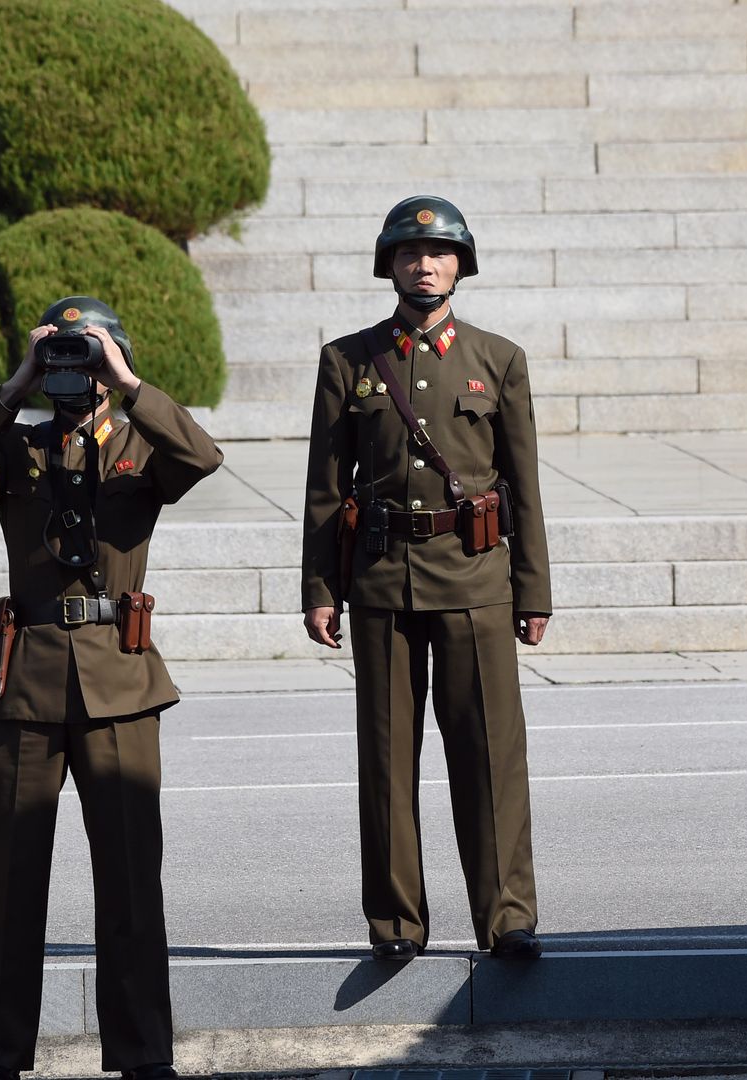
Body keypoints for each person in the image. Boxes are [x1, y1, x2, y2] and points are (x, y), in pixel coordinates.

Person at [0, 297, 222, 1080]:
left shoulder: (140, 442)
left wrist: (128, 382)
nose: (73, 371)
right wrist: (17, 382)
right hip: (26, 683)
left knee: (130, 883)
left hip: (119, 681)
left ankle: (143, 1056)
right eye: (62, 356)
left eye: (83, 356)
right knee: (10, 884)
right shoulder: (18, 447)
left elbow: (202, 457)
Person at [301, 196, 552, 961]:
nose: (425, 265)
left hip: (476, 579)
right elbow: (324, 488)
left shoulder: (497, 359)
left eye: (439, 252)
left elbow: (524, 484)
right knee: (385, 758)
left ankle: (508, 918)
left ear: (460, 265)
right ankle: (397, 922)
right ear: (391, 266)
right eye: (410, 254)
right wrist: (320, 589)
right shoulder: (347, 360)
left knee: (491, 754)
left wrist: (534, 590)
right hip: (381, 579)